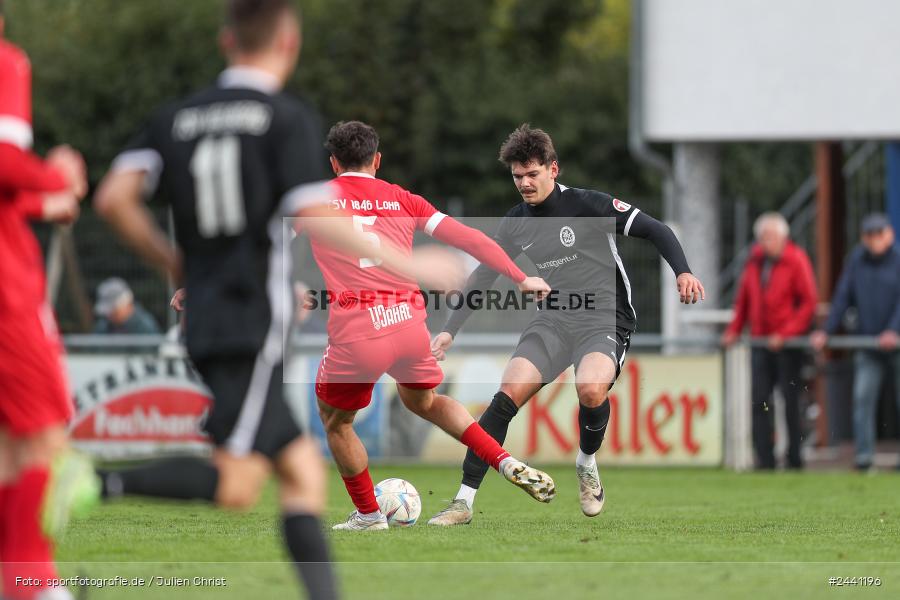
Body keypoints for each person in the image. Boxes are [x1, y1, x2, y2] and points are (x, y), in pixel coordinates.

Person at [89, 2, 464, 598]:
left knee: (300, 472)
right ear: (288, 42)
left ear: (226, 41)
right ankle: (87, 482)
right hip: (249, 319)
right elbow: (316, 212)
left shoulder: (176, 117)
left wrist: (179, 262)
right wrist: (408, 262)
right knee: (238, 483)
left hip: (213, 314)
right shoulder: (280, 118)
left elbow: (113, 198)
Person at [428, 124, 705, 526]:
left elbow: (655, 229)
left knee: (590, 389)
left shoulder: (588, 205)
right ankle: (463, 501)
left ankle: (586, 462)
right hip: (554, 319)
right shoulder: (516, 222)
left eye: (532, 174)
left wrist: (683, 272)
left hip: (605, 317)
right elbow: (485, 275)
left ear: (553, 169)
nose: (524, 184)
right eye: (517, 177)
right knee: (505, 396)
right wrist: (451, 329)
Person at [313, 121, 557, 531]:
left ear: (334, 163)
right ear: (377, 160)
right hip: (409, 324)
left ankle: (370, 515)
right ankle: (503, 460)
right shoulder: (401, 198)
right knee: (424, 402)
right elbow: (469, 239)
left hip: (359, 330)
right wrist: (520, 276)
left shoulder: (317, 200)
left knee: (337, 422)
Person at [0, 2, 95, 598]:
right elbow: (7, 161)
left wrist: (36, 204)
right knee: (41, 436)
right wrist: (54, 177)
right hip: (6, 288)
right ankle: (34, 585)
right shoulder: (6, 63)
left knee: (11, 444)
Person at [723, 212, 817, 470]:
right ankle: (764, 460)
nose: (767, 242)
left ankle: (795, 460)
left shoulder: (797, 260)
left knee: (791, 402)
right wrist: (735, 329)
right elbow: (743, 301)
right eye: (763, 237)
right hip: (760, 343)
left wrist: (785, 335)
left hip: (788, 347)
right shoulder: (753, 262)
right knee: (760, 402)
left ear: (783, 238)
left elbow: (808, 304)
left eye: (771, 237)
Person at [811, 214, 900, 470]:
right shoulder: (856, 261)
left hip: (897, 344)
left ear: (889, 235)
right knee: (862, 399)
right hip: (868, 344)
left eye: (878, 234)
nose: (874, 240)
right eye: (869, 235)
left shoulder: (898, 261)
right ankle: (864, 457)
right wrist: (826, 331)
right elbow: (841, 298)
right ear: (863, 237)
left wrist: (893, 331)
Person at [92, 277, 161, 334]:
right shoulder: (103, 326)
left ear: (127, 303)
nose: (109, 315)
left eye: (114, 310)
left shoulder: (145, 326)